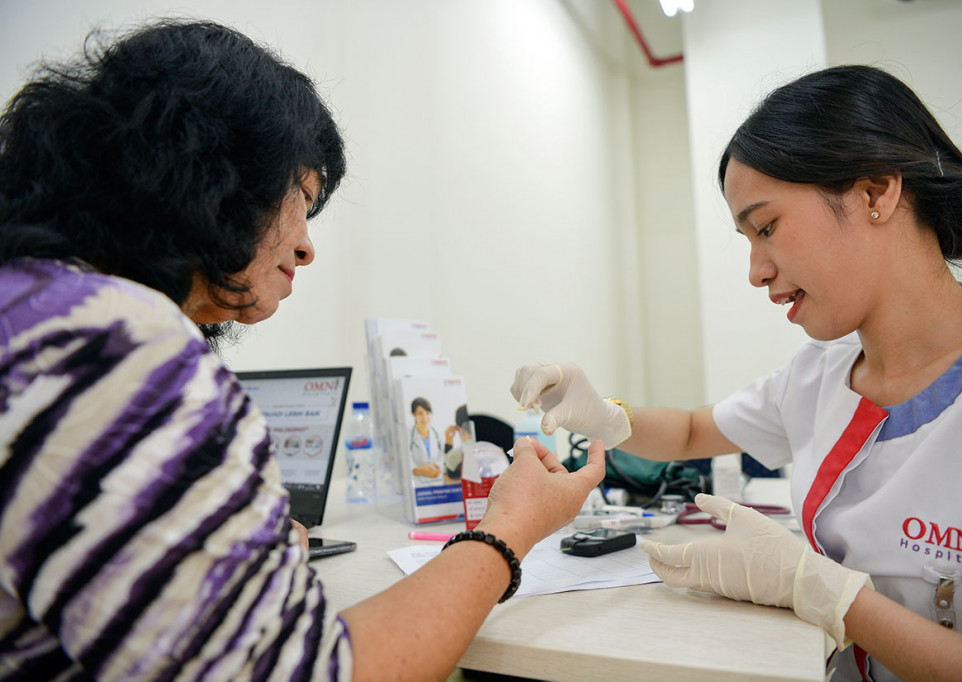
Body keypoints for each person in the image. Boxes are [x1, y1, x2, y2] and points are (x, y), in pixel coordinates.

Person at [0, 19, 605, 681]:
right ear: (217, 180)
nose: (307, 246)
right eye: (304, 202)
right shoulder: (115, 350)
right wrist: (511, 527)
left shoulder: (33, 310)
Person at [511, 65, 962, 682]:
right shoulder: (819, 375)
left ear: (875, 193)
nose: (756, 271)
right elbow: (694, 431)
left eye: (767, 226)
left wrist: (831, 597)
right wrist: (604, 416)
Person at [408, 396, 445, 485]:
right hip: (417, 484)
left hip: (438, 482)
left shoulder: (438, 434)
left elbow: (444, 456)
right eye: (420, 413)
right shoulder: (408, 435)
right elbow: (406, 461)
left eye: (427, 413)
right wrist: (419, 470)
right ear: (413, 414)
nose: (425, 418)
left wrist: (436, 467)